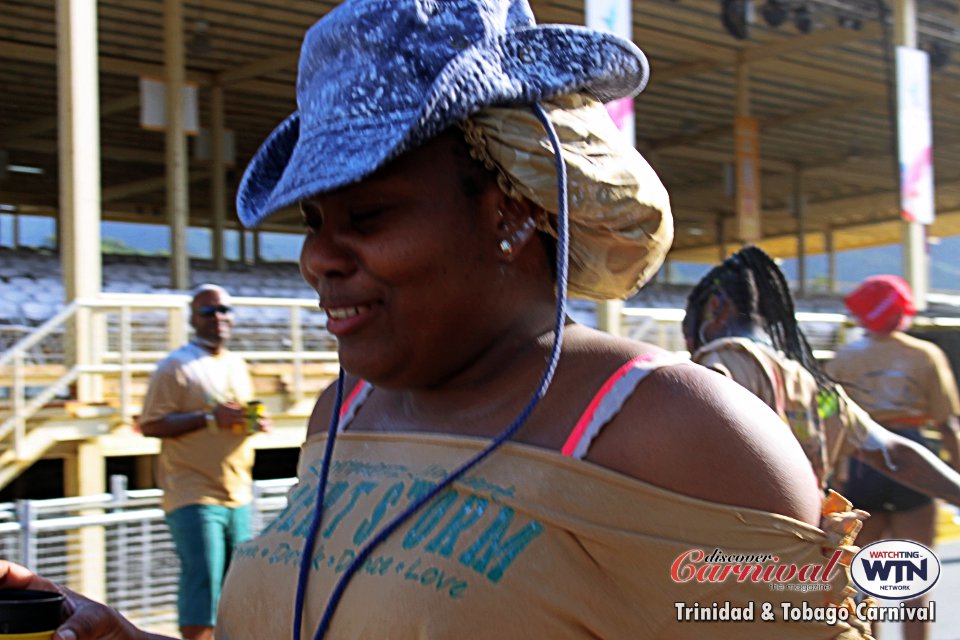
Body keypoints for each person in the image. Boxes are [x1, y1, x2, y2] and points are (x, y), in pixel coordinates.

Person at [1, 2, 872, 638]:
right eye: (314, 223)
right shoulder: (342, 414)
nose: (318, 258)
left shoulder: (678, 433)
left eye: (368, 217)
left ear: (509, 210)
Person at [682, 247, 960, 508]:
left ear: (718, 307)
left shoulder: (719, 363)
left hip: (735, 548)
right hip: (800, 544)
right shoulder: (807, 381)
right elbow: (896, 454)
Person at [827, 275, 960, 640]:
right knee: (914, 583)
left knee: (862, 582)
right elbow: (946, 421)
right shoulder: (925, 354)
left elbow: (831, 422)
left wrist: (832, 478)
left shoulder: (844, 358)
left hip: (861, 460)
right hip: (912, 456)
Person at [138, 284, 271, 640]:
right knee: (205, 581)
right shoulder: (175, 367)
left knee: (238, 586)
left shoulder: (236, 364)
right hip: (193, 492)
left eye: (225, 310)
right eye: (209, 312)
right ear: (194, 319)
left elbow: (232, 416)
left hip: (237, 491)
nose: (219, 317)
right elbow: (150, 424)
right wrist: (210, 418)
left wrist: (251, 423)